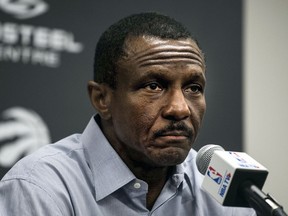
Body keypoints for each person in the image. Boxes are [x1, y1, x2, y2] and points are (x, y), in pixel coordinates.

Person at [0, 12, 256, 215]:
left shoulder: (219, 187)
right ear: (102, 99)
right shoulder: (40, 188)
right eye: (154, 86)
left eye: (193, 88)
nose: (180, 108)